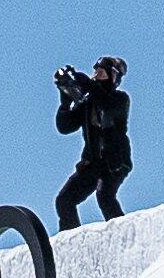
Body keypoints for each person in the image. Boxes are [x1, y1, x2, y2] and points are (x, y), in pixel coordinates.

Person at [54, 57, 132, 225]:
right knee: (64, 200)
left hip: (115, 162)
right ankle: (71, 239)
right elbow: (65, 127)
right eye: (95, 71)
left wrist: (88, 85)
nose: (96, 75)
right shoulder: (88, 103)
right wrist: (65, 101)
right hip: (93, 163)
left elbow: (108, 106)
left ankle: (122, 233)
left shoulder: (120, 99)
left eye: (101, 72)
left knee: (105, 196)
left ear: (113, 77)